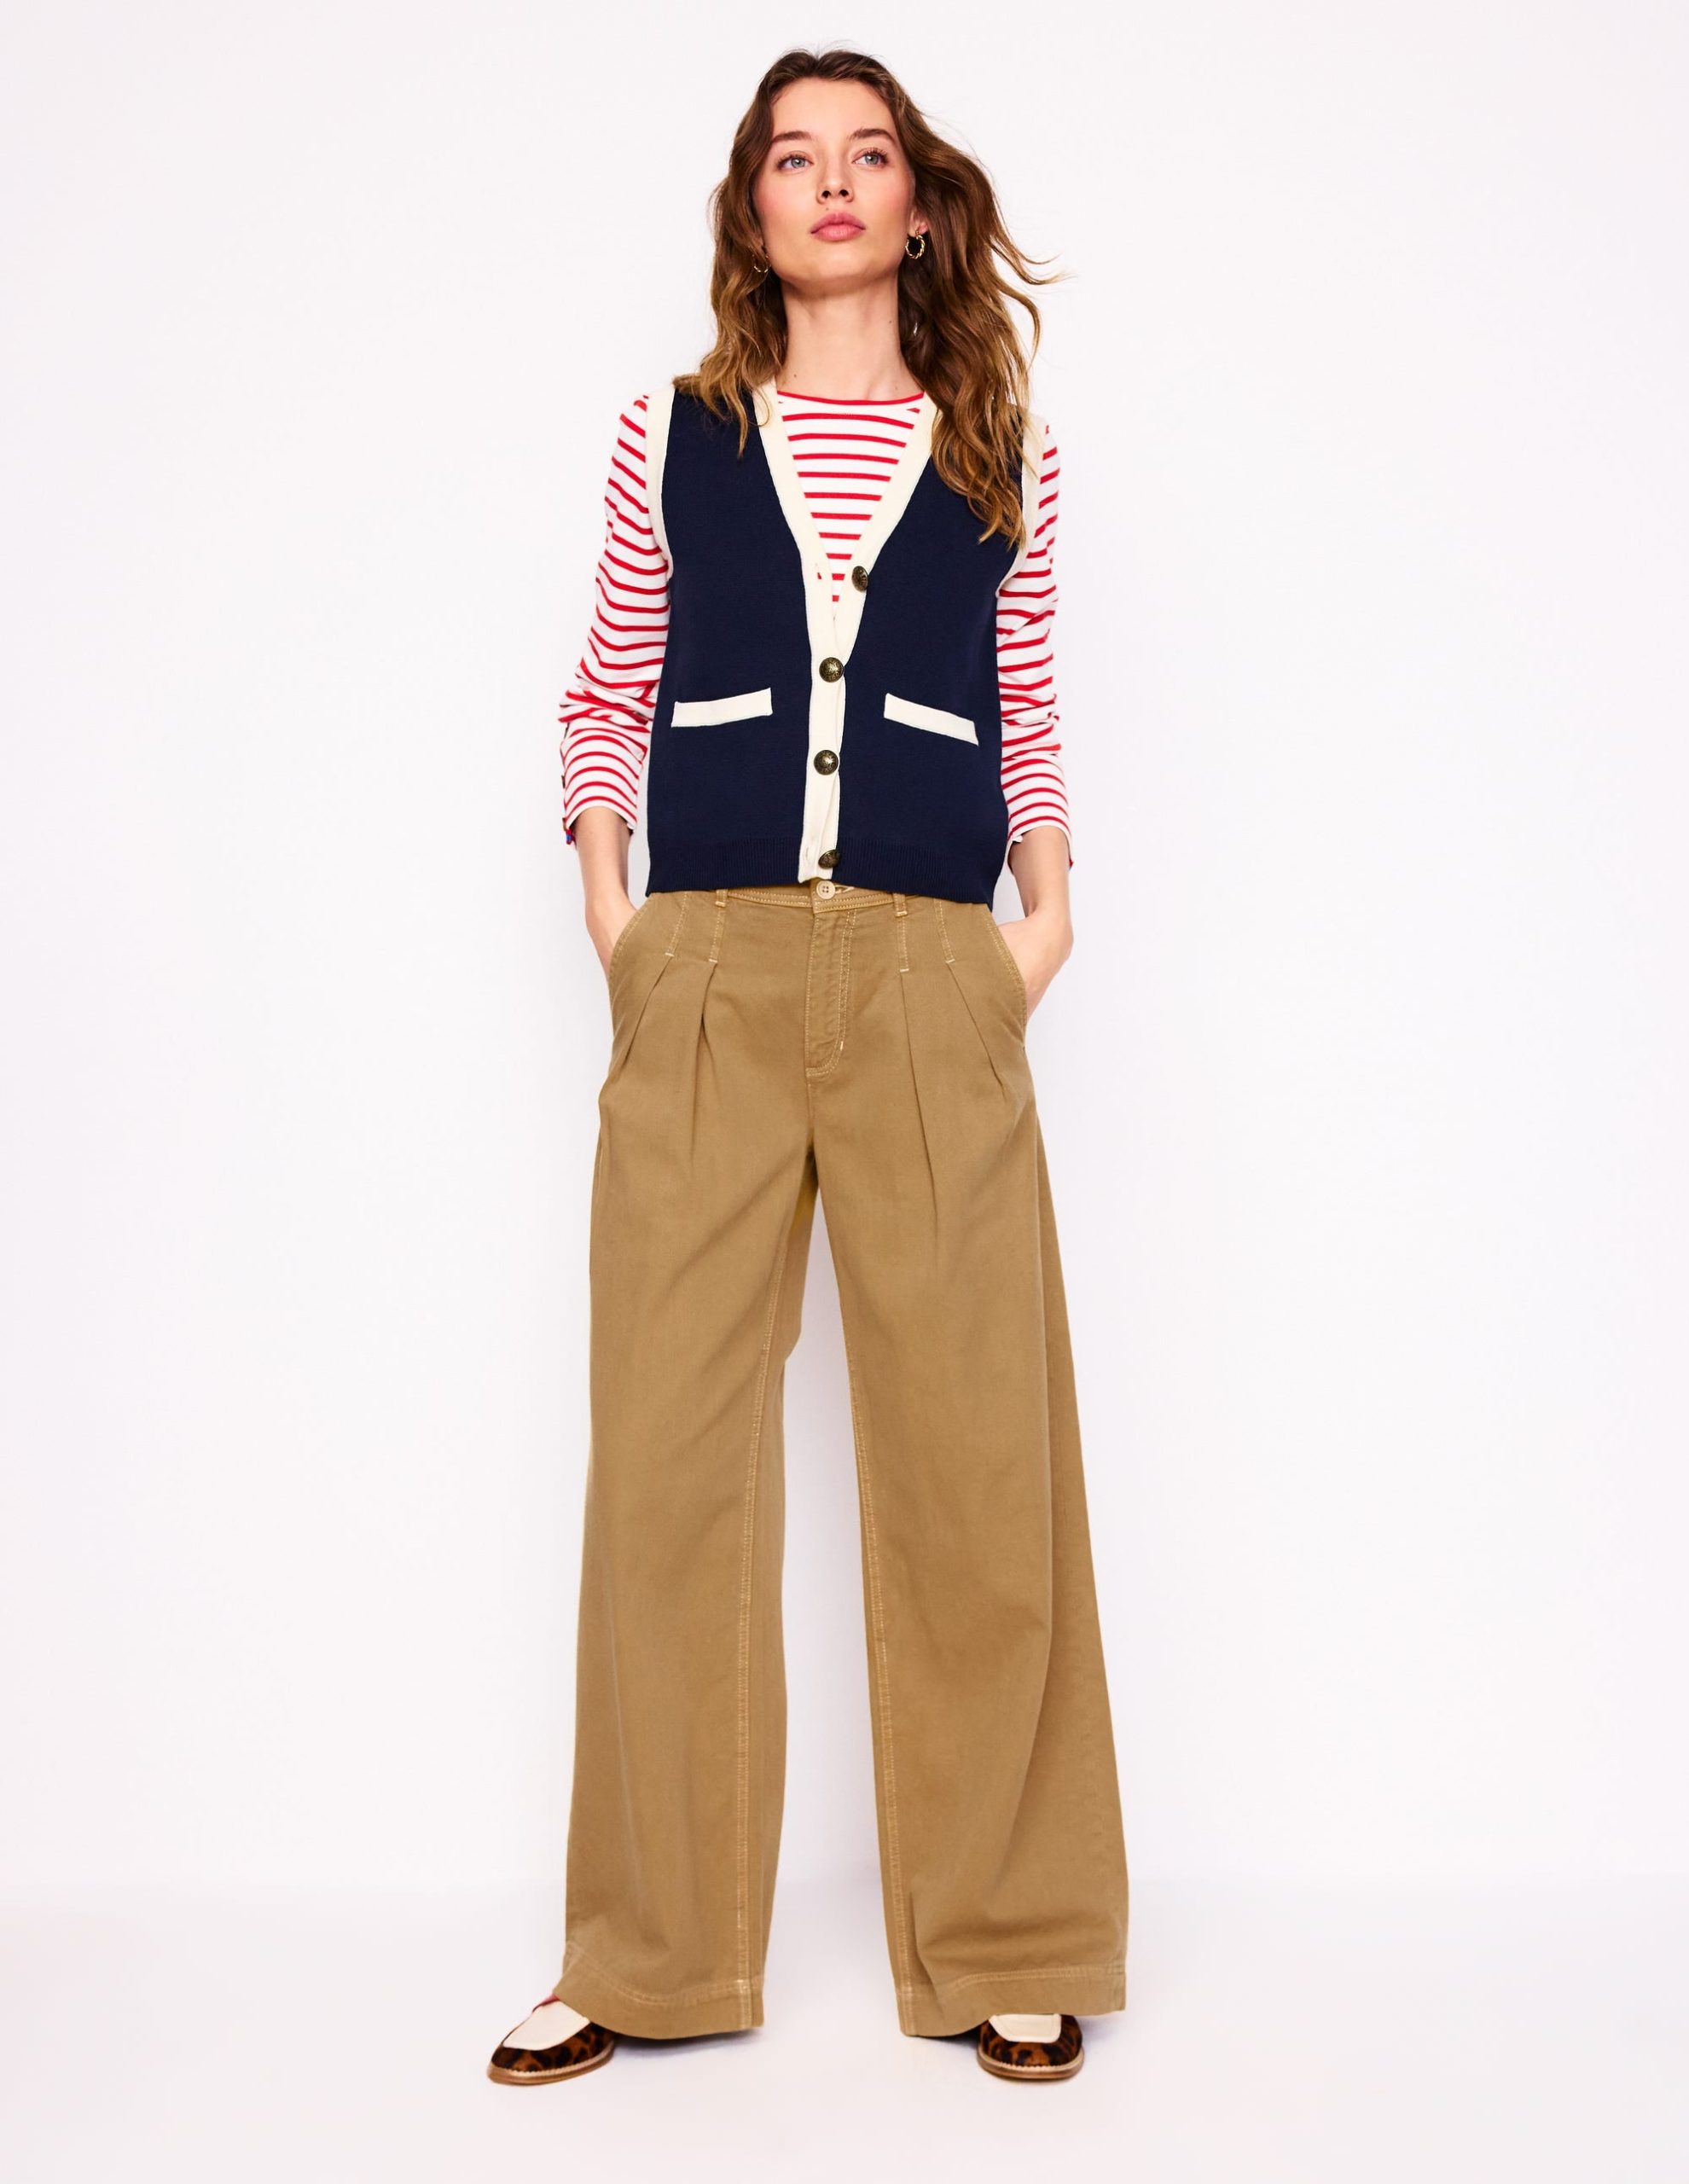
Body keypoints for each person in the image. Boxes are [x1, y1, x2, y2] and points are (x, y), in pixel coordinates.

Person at [488, 45, 1129, 2088]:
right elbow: (610, 681)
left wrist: (1042, 926)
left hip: (942, 970)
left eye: (868, 156)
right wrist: (620, 916)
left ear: (919, 205)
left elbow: (1028, 703)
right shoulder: (669, 436)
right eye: (794, 156)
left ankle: (1011, 1931)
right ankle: (647, 1945)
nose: (833, 183)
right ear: (751, 208)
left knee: (978, 1458)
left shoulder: (1000, 451)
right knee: (666, 1461)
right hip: (705, 970)